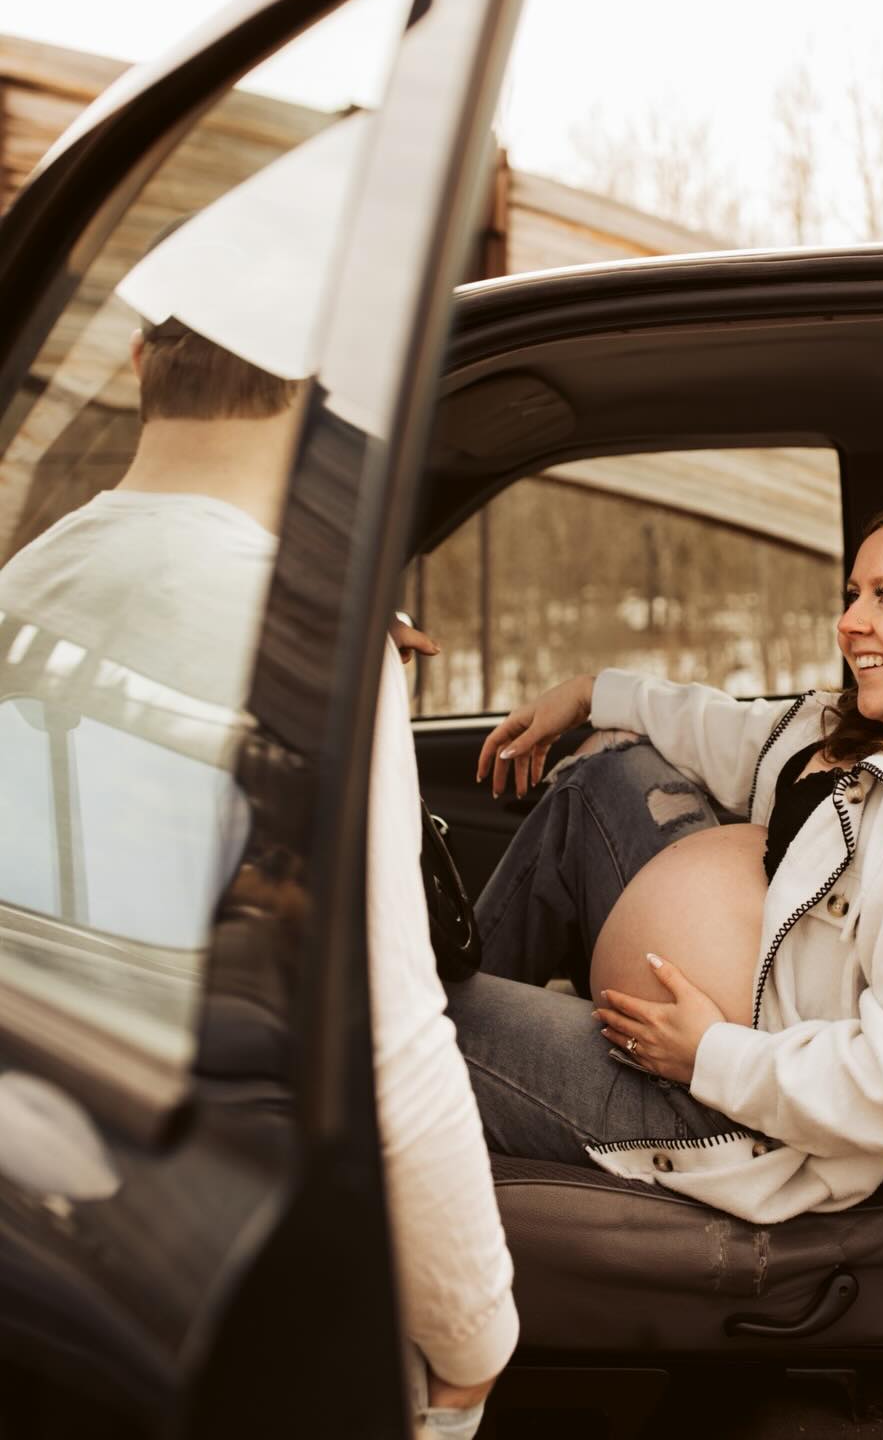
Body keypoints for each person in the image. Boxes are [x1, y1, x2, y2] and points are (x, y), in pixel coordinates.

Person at [0, 124, 516, 1435]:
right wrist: (473, 1339)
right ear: (331, 393)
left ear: (135, 363)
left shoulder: (23, 591)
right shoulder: (308, 652)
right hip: (239, 1281)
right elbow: (390, 1055)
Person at [453, 492, 883, 1226]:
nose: (850, 621)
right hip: (717, 1045)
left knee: (422, 1025)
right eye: (853, 594)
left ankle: (435, 1069)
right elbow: (728, 731)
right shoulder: (874, 731)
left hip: (739, 1122)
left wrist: (709, 1054)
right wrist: (590, 694)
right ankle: (468, 1030)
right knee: (599, 780)